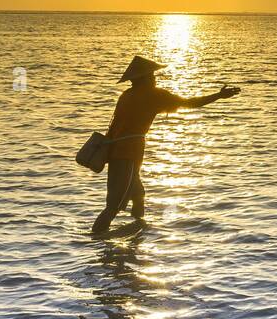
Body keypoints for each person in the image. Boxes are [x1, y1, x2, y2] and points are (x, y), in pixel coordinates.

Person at [92, 55, 240, 234]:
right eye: (152, 75)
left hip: (117, 153)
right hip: (128, 155)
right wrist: (218, 96)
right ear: (144, 78)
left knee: (138, 196)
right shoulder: (154, 95)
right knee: (113, 207)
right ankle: (95, 241)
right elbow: (189, 104)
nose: (155, 78)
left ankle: (136, 236)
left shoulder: (126, 95)